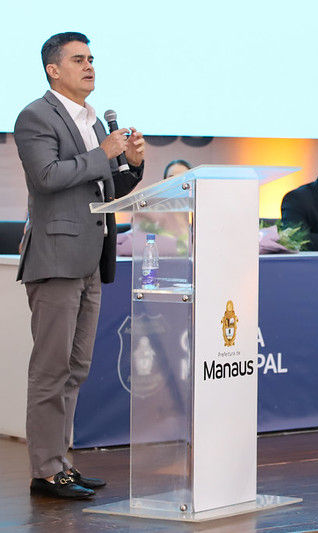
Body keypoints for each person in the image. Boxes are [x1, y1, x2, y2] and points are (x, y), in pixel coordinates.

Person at [14, 32, 144, 499]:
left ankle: (62, 465)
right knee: (50, 371)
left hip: (90, 258)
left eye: (91, 58)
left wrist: (131, 165)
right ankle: (46, 470)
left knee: (75, 369)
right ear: (53, 70)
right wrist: (102, 154)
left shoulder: (90, 121)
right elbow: (47, 177)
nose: (89, 66)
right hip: (56, 257)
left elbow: (103, 187)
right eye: (78, 59)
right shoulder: (35, 116)